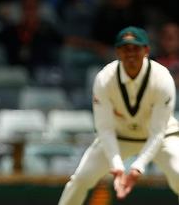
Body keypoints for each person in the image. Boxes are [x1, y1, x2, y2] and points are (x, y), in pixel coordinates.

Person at [58, 26, 179, 204]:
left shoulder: (162, 79)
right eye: (125, 49)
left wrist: (138, 167)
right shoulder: (105, 79)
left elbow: (157, 132)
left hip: (162, 137)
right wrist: (117, 166)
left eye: (136, 48)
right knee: (81, 178)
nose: (130, 54)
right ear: (117, 52)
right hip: (118, 136)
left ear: (146, 50)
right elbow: (104, 128)